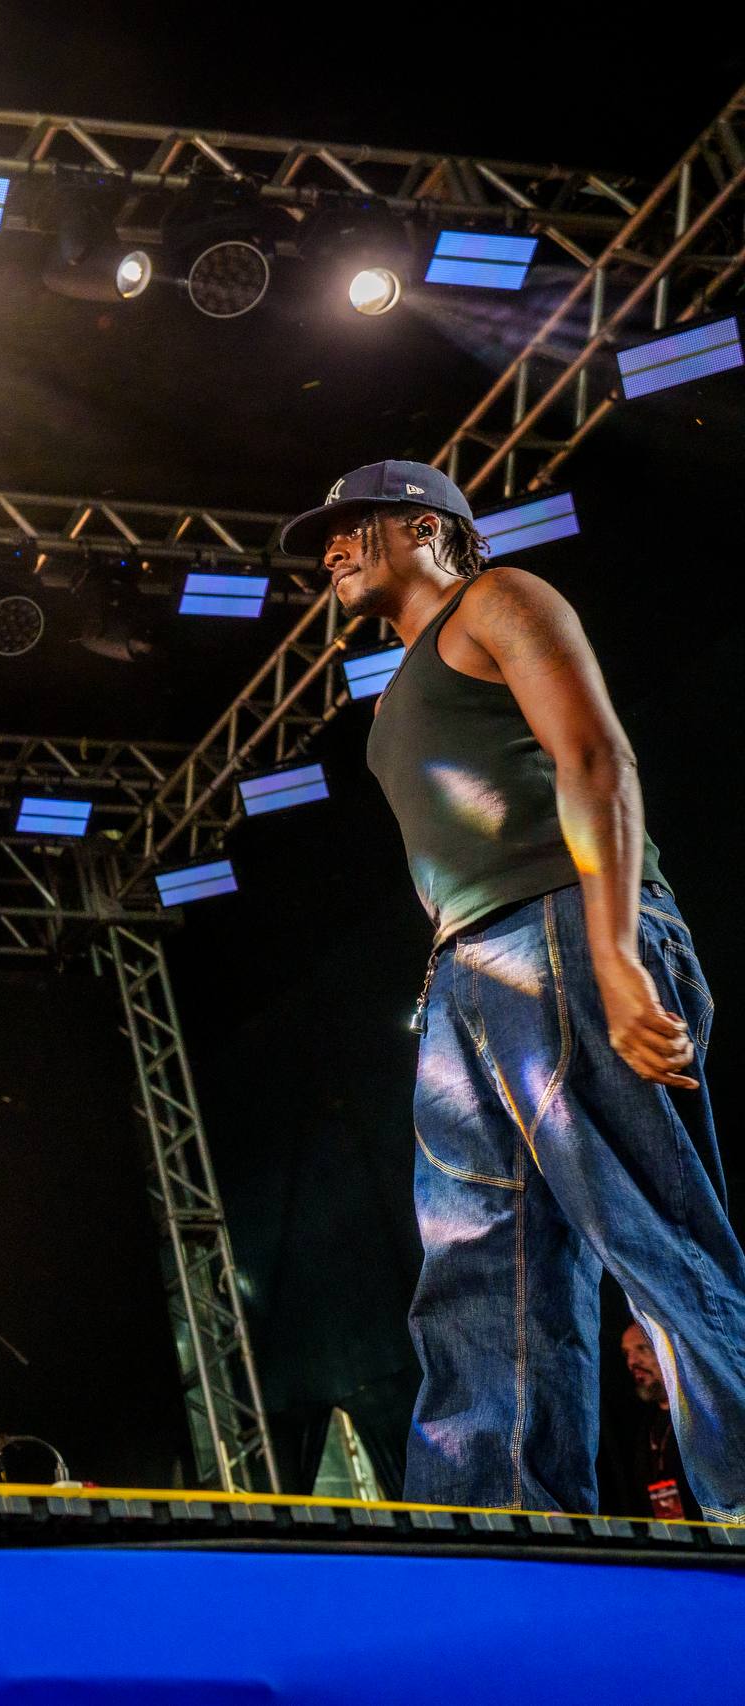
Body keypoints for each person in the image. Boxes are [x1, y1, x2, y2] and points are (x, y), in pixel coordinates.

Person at [290, 460, 735, 1520]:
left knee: (651, 1233)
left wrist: (615, 948)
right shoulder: (394, 689)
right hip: (464, 973)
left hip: (565, 929)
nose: (331, 548)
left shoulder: (499, 598)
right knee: (479, 1276)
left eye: (354, 524)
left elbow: (594, 758)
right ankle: (500, 1529)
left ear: (424, 527)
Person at [617, 1320, 691, 1521]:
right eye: (626, 1353)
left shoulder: (701, 1419)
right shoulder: (643, 1426)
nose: (632, 1362)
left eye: (642, 1348)